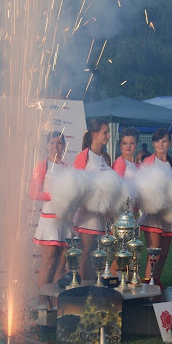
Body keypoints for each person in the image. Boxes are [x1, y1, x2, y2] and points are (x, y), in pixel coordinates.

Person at [30, 131, 72, 309]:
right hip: (49, 219)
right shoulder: (42, 166)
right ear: (47, 145)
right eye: (53, 143)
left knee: (62, 263)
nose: (56, 146)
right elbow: (34, 193)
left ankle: (56, 303)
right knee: (48, 262)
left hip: (65, 220)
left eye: (59, 143)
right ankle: (43, 303)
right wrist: (54, 196)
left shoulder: (67, 168)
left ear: (64, 146)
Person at [73, 118, 112, 280]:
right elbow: (75, 184)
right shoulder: (84, 156)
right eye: (105, 133)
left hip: (102, 216)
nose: (108, 136)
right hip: (86, 216)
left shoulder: (106, 157)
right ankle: (83, 288)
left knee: (97, 255)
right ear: (94, 134)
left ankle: (94, 287)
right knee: (86, 252)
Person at [139, 128, 172, 283]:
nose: (161, 144)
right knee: (154, 254)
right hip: (153, 214)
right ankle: (148, 284)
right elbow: (143, 187)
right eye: (157, 141)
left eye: (164, 141)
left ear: (169, 143)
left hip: (168, 214)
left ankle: (156, 283)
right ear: (153, 144)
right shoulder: (148, 162)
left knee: (163, 255)